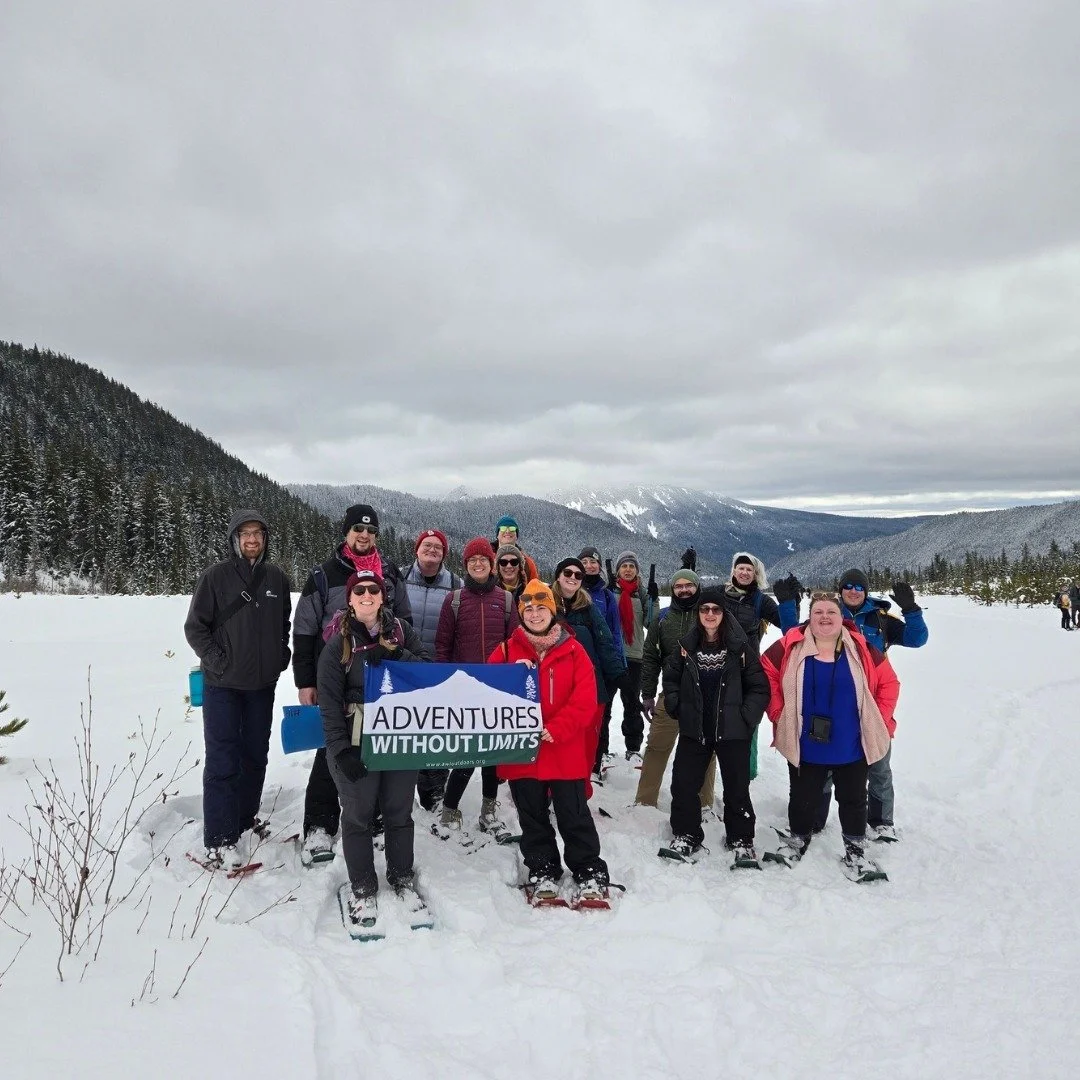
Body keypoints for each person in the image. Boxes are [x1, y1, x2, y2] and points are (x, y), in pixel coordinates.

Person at [292, 504, 412, 864]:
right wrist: (305, 680)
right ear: (346, 532)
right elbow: (304, 630)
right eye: (358, 529)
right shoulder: (324, 574)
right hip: (336, 677)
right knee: (332, 747)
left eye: (371, 531)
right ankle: (320, 824)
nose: (364, 536)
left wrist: (396, 656)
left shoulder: (390, 573)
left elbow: (403, 620)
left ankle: (371, 819)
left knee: (376, 747)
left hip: (381, 682)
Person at [779, 566, 926, 840]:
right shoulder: (829, 614)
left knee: (878, 766)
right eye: (848, 586)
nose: (853, 591)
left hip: (870, 705)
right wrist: (788, 605)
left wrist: (911, 610)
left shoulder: (880, 619)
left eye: (859, 587)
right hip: (830, 706)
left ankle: (880, 822)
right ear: (840, 590)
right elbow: (792, 636)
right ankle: (815, 819)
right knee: (822, 767)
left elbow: (917, 639)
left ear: (866, 591)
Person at [319, 569, 430, 927]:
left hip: (400, 738)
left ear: (383, 596)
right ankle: (363, 887)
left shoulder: (401, 631)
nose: (367, 595)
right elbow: (328, 703)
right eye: (360, 591)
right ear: (350, 599)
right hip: (357, 742)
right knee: (357, 815)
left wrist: (398, 656)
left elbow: (429, 672)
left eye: (373, 590)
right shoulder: (338, 644)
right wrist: (341, 751)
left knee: (399, 813)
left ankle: (402, 878)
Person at [760, 592, 899, 874]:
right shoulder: (790, 644)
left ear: (841, 617)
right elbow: (766, 671)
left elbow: (890, 683)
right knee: (802, 796)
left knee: (854, 799)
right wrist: (778, 712)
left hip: (852, 742)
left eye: (831, 612)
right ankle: (798, 840)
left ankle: (855, 849)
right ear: (810, 618)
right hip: (805, 741)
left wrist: (878, 720)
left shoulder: (861, 647)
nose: (825, 617)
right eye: (818, 612)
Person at [184, 510, 292, 869]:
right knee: (222, 760)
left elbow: (283, 623)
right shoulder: (215, 577)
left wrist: (281, 653)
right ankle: (219, 838)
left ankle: (244, 822)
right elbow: (195, 628)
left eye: (258, 533)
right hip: (223, 686)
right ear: (234, 539)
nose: (252, 539)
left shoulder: (276, 577)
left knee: (255, 756)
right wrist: (217, 661)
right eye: (245, 533)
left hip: (262, 686)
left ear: (265, 538)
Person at [491, 580, 610, 905]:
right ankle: (542, 869)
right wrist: (509, 676)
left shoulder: (574, 650)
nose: (534, 614)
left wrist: (559, 727)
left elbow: (585, 699)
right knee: (532, 817)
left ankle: (588, 870)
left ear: (553, 610)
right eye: (528, 609)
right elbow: (486, 690)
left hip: (563, 750)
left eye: (541, 607)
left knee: (574, 814)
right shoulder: (506, 651)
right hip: (523, 753)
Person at [661, 586, 770, 862]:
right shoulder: (686, 647)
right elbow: (671, 678)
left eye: (716, 609)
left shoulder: (740, 648)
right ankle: (686, 834)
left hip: (732, 730)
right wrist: (677, 706)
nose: (710, 614)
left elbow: (759, 687)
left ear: (724, 614)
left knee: (737, 788)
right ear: (698, 613)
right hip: (695, 729)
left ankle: (741, 838)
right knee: (684, 785)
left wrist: (746, 717)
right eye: (704, 609)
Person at [433, 537, 519, 839]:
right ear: (465, 565)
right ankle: (449, 809)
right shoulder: (454, 600)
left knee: (492, 752)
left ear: (492, 564)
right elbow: (442, 646)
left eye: (483, 559)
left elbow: (515, 645)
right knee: (467, 752)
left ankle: (489, 809)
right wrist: (445, 684)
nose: (478, 564)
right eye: (472, 560)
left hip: (496, 689)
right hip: (464, 689)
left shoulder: (506, 600)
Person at [636, 569, 718, 811]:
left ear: (697, 586)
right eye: (678, 586)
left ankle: (704, 803)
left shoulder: (709, 615)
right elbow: (650, 657)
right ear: (672, 590)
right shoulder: (662, 619)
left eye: (688, 585)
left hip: (706, 696)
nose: (684, 590)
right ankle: (644, 801)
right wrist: (648, 694)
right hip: (671, 695)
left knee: (706, 750)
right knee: (656, 746)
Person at [551, 557, 627, 788]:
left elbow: (605, 642)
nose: (572, 578)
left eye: (578, 575)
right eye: (567, 573)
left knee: (586, 744)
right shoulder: (546, 605)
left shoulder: (589, 608)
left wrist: (619, 674)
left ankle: (580, 791)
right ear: (558, 576)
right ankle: (554, 791)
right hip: (555, 689)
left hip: (589, 688)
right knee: (557, 742)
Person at [401, 528, 463, 811]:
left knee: (436, 728)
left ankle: (434, 792)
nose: (432, 550)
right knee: (404, 727)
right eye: (427, 545)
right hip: (403, 665)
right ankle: (399, 789)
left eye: (438, 547)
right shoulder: (400, 578)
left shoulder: (456, 584)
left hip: (439, 667)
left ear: (444, 554)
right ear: (417, 549)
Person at [723, 553, 784, 781]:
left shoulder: (760, 601)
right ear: (733, 571)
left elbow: (787, 625)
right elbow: (694, 602)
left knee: (749, 718)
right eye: (741, 568)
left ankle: (746, 771)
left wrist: (789, 603)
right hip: (718, 666)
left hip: (747, 670)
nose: (744, 572)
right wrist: (688, 568)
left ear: (756, 574)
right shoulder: (720, 594)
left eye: (749, 569)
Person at [578, 546, 626, 776]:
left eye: (593, 562)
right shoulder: (572, 590)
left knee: (601, 717)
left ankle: (595, 764)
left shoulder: (606, 596)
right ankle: (576, 763)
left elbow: (615, 633)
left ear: (599, 566)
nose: (589, 566)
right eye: (584, 562)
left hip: (601, 666)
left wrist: (617, 666)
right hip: (576, 667)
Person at [611, 551, 654, 764]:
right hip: (611, 656)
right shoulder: (609, 591)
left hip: (635, 656)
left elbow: (650, 623)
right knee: (604, 705)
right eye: (624, 566)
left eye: (632, 566)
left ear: (637, 570)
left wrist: (654, 600)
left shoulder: (642, 593)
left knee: (632, 704)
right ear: (617, 570)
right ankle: (601, 749)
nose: (628, 569)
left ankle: (633, 748)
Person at [492, 515, 539, 581]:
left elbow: (535, 585)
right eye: (503, 528)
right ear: (497, 535)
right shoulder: (487, 560)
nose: (507, 531)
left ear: (516, 536)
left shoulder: (528, 563)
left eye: (512, 528)